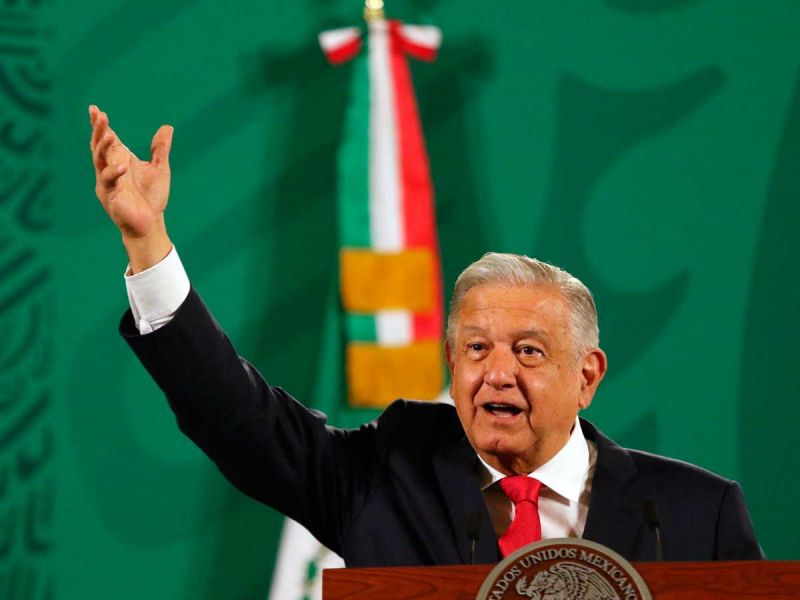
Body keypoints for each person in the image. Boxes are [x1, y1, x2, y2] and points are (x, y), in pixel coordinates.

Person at [89, 106, 764, 565]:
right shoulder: (388, 475)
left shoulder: (694, 516)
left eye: (528, 351)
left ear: (587, 375)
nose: (496, 373)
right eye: (476, 349)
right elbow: (240, 420)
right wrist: (149, 244)